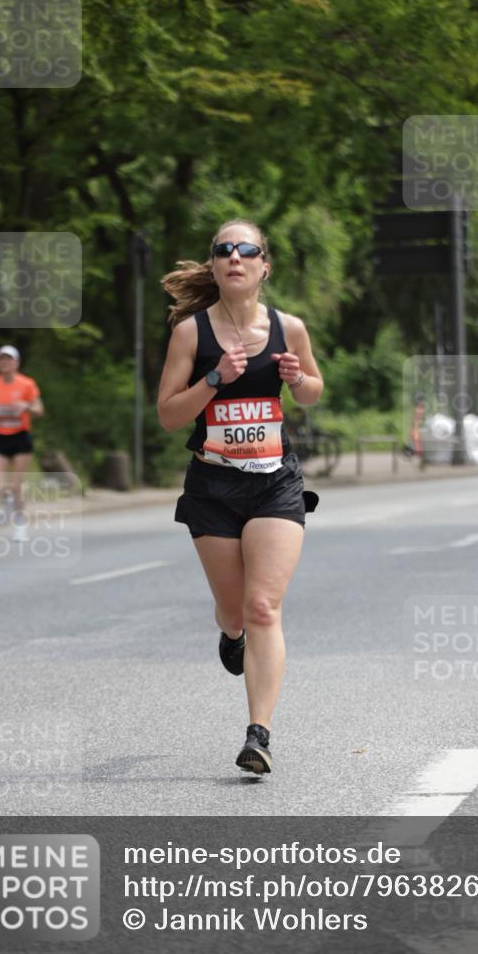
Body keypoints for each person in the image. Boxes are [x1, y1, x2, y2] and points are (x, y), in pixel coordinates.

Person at [157, 218, 323, 775]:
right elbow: (166, 415)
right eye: (223, 250)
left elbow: (313, 395)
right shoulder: (191, 334)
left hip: (274, 480)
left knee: (262, 607)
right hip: (213, 485)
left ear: (263, 266)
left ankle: (259, 735)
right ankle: (231, 635)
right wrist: (213, 382)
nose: (234, 257)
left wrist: (298, 380)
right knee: (234, 612)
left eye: (245, 249)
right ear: (214, 265)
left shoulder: (289, 328)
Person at [0, 345, 44, 540]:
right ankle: (7, 501)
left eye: (9, 359)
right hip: (0, 437)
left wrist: (26, 406)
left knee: (17, 484)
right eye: (1, 359)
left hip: (20, 437)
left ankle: (20, 525)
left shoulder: (27, 384)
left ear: (17, 363)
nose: (5, 363)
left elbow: (39, 409)